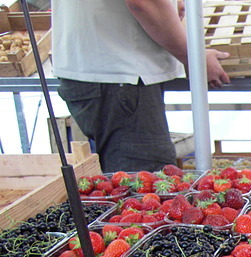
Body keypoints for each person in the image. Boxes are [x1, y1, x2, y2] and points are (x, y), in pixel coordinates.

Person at [52, 0, 230, 172]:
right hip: (121, 73)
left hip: (102, 68)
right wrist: (195, 57)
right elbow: (143, 2)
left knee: (130, 184)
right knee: (142, 187)